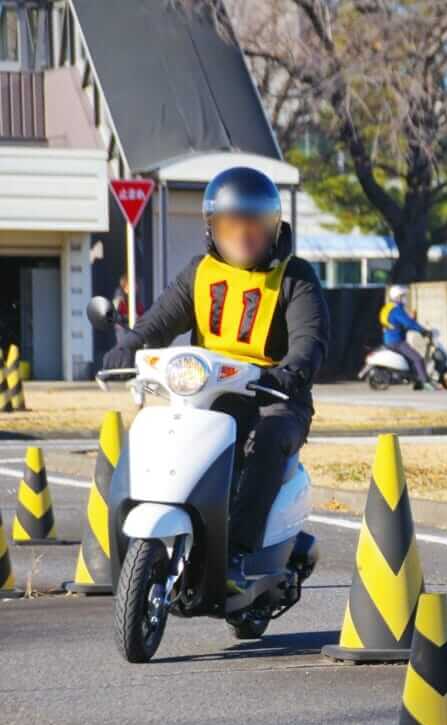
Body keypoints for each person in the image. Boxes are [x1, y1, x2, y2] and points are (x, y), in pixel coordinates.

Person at [102, 166, 330, 594]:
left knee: (267, 439)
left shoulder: (295, 277)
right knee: (168, 431)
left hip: (274, 394)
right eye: (229, 225)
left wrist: (293, 370)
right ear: (212, 229)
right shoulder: (200, 273)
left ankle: (238, 554)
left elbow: (310, 339)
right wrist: (129, 344)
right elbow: (160, 320)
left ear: (273, 227)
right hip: (209, 389)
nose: (241, 236)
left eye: (253, 226)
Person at [379, 285, 431, 390]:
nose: (405, 298)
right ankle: (425, 382)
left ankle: (417, 382)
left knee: (410, 360)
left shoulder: (388, 308)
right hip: (397, 341)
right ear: (397, 297)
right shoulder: (397, 309)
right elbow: (408, 323)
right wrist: (422, 330)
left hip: (389, 340)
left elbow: (397, 324)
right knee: (418, 359)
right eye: (403, 296)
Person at [112, 275, 144, 345]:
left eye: (136, 285)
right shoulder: (119, 298)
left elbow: (141, 313)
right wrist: (129, 317)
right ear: (125, 287)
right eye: (133, 285)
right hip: (124, 332)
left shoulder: (136, 299)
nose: (136, 287)